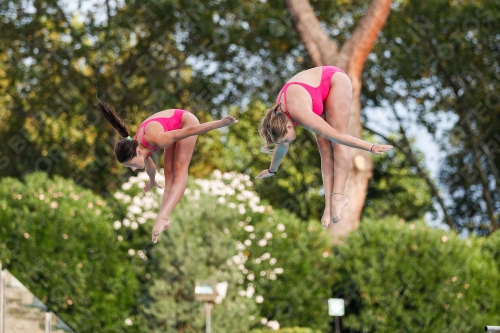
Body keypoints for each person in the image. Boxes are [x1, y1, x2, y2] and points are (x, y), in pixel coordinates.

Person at [256, 66, 393, 227]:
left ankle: (339, 196)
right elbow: (281, 147)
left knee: (336, 141)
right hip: (314, 96)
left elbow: (338, 136)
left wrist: (370, 147)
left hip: (334, 81)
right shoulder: (278, 119)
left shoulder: (299, 113)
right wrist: (272, 170)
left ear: (288, 127)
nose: (286, 144)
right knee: (324, 149)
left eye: (286, 140)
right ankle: (329, 206)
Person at [97, 100, 238, 243]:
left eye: (132, 164)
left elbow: (189, 131)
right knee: (168, 176)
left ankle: (163, 217)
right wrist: (152, 181)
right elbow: (151, 169)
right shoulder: (136, 147)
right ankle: (164, 217)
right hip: (171, 128)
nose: (133, 169)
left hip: (186, 122)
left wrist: (219, 124)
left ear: (138, 152)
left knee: (179, 169)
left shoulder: (156, 140)